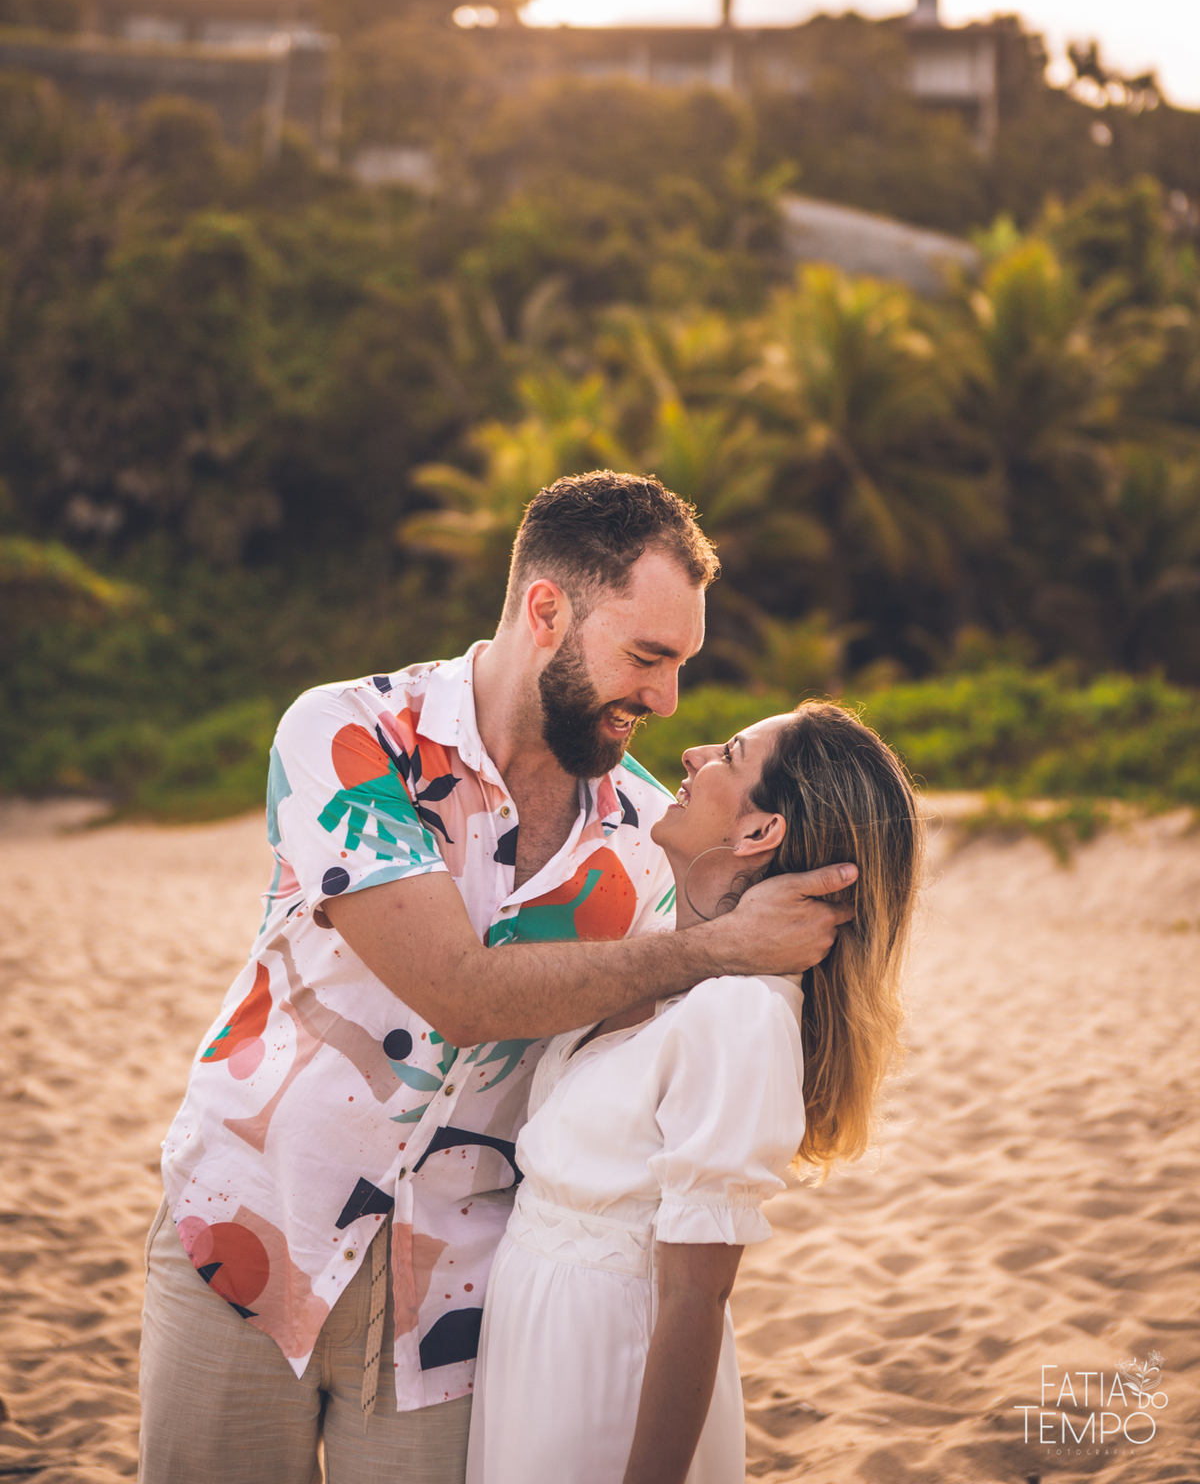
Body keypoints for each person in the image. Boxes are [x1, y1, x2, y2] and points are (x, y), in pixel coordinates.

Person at [138, 472, 856, 1484]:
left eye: (681, 663)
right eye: (647, 656)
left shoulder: (654, 841)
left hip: (459, 1306)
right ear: (546, 610)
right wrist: (717, 949)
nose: (666, 699)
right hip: (249, 1240)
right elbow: (460, 993)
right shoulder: (348, 737)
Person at [465, 700, 923, 1484]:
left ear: (758, 834)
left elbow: (694, 1299)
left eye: (730, 755)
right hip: (534, 1358)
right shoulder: (669, 968)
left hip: (604, 1378)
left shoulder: (739, 1012)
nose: (692, 754)